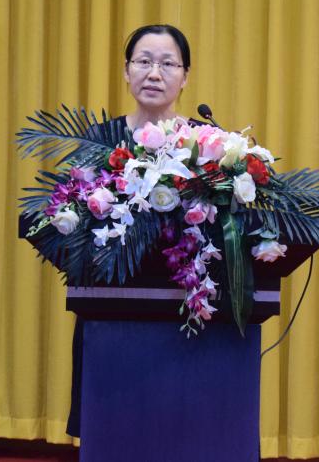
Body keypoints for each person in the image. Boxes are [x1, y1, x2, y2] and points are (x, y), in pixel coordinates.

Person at [66, 23, 192, 438]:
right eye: (144, 61)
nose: (154, 73)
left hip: (184, 309)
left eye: (168, 64)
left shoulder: (204, 143)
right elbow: (74, 218)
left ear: (184, 76)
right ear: (126, 70)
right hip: (111, 304)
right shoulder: (100, 140)